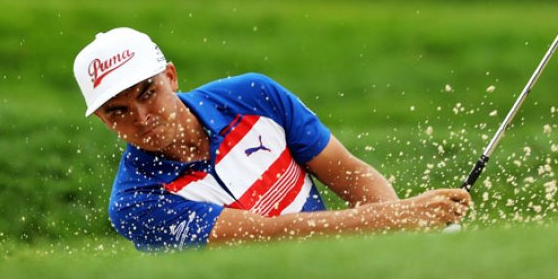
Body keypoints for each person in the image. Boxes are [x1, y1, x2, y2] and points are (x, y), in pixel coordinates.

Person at [73, 27, 471, 251]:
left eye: (147, 93)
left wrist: (399, 247)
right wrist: (395, 218)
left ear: (171, 77)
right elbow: (263, 235)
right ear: (104, 121)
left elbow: (351, 175)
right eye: (118, 111)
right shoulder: (135, 202)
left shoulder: (254, 96)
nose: (141, 118)